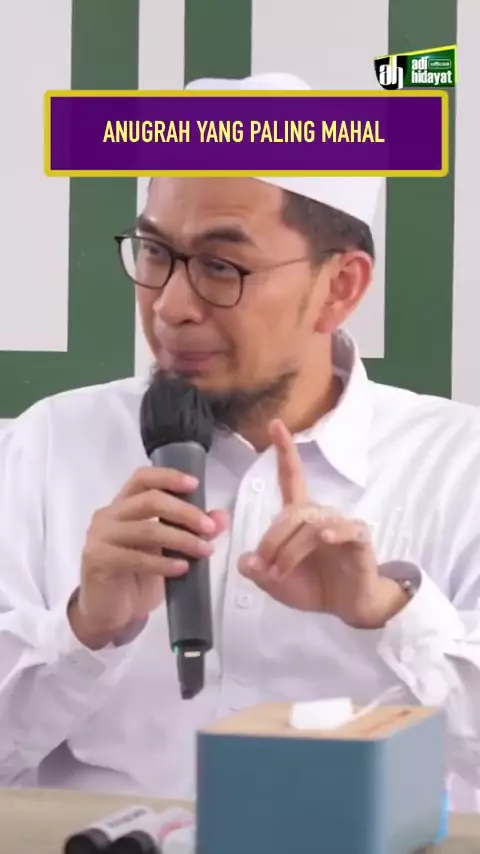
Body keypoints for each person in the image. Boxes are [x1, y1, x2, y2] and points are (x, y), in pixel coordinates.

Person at [1, 72, 480, 812]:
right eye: (154, 253)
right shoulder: (49, 445)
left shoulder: (458, 467)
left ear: (340, 287)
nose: (171, 306)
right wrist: (84, 629)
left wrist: (391, 613)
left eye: (221, 267)